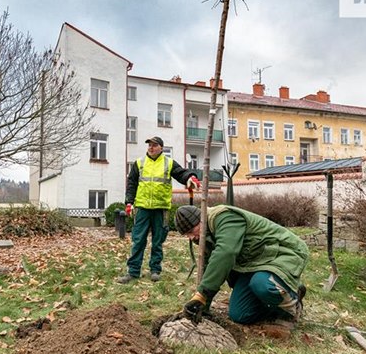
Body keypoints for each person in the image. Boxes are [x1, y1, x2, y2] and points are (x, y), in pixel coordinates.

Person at [174, 204, 308, 325]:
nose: (191, 238)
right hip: (253, 264)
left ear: (201, 220)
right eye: (187, 235)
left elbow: (225, 253)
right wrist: (202, 304)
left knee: (262, 284)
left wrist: (202, 294)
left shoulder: (225, 217)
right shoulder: (205, 235)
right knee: (239, 315)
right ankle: (276, 298)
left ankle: (291, 305)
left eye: (192, 231)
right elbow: (210, 266)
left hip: (280, 254)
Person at [117, 136, 200, 284]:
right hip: (142, 208)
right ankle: (133, 272)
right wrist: (129, 202)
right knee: (138, 240)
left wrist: (191, 178)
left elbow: (181, 173)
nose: (151, 147)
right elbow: (131, 184)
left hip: (161, 208)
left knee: (158, 240)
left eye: (154, 145)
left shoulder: (168, 163)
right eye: (149, 145)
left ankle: (155, 270)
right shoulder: (139, 163)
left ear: (161, 148)